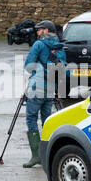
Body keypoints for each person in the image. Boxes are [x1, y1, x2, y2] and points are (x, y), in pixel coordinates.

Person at [22, 19, 66, 167]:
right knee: (47, 120)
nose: (37, 33)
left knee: (31, 119)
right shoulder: (60, 46)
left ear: (46, 30)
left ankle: (36, 156)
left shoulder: (39, 44)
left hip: (36, 88)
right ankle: (48, 155)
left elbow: (28, 66)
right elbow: (63, 69)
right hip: (51, 89)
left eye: (39, 30)